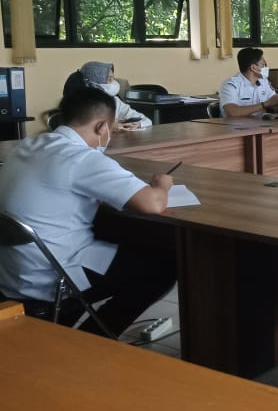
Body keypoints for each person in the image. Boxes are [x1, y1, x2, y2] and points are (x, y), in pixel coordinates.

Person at [0, 88, 176, 337]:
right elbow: (152, 203)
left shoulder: (27, 146)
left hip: (13, 273)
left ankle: (73, 332)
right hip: (51, 277)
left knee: (125, 245)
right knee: (162, 268)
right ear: (102, 126)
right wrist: (162, 184)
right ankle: (93, 339)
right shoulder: (80, 158)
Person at [75, 61, 152, 129]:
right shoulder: (81, 104)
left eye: (113, 78)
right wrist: (110, 126)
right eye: (109, 79)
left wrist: (139, 124)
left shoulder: (115, 101)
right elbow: (84, 129)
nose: (113, 82)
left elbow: (147, 120)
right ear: (94, 83)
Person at [218, 47, 278, 117]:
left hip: (261, 122)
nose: (266, 68)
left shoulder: (264, 82)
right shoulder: (231, 85)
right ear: (253, 68)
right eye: (263, 65)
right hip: (238, 124)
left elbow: (273, 102)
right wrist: (264, 104)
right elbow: (232, 112)